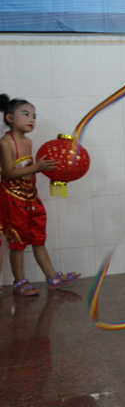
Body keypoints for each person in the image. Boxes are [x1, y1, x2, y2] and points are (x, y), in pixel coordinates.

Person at [0, 94, 80, 296]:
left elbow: (29, 169)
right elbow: (9, 173)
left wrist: (55, 173)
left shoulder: (28, 141)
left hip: (30, 197)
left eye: (34, 116)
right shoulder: (5, 143)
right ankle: (19, 281)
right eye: (26, 114)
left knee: (38, 238)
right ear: (9, 118)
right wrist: (38, 166)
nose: (32, 119)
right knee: (17, 243)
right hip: (12, 199)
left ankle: (51, 276)